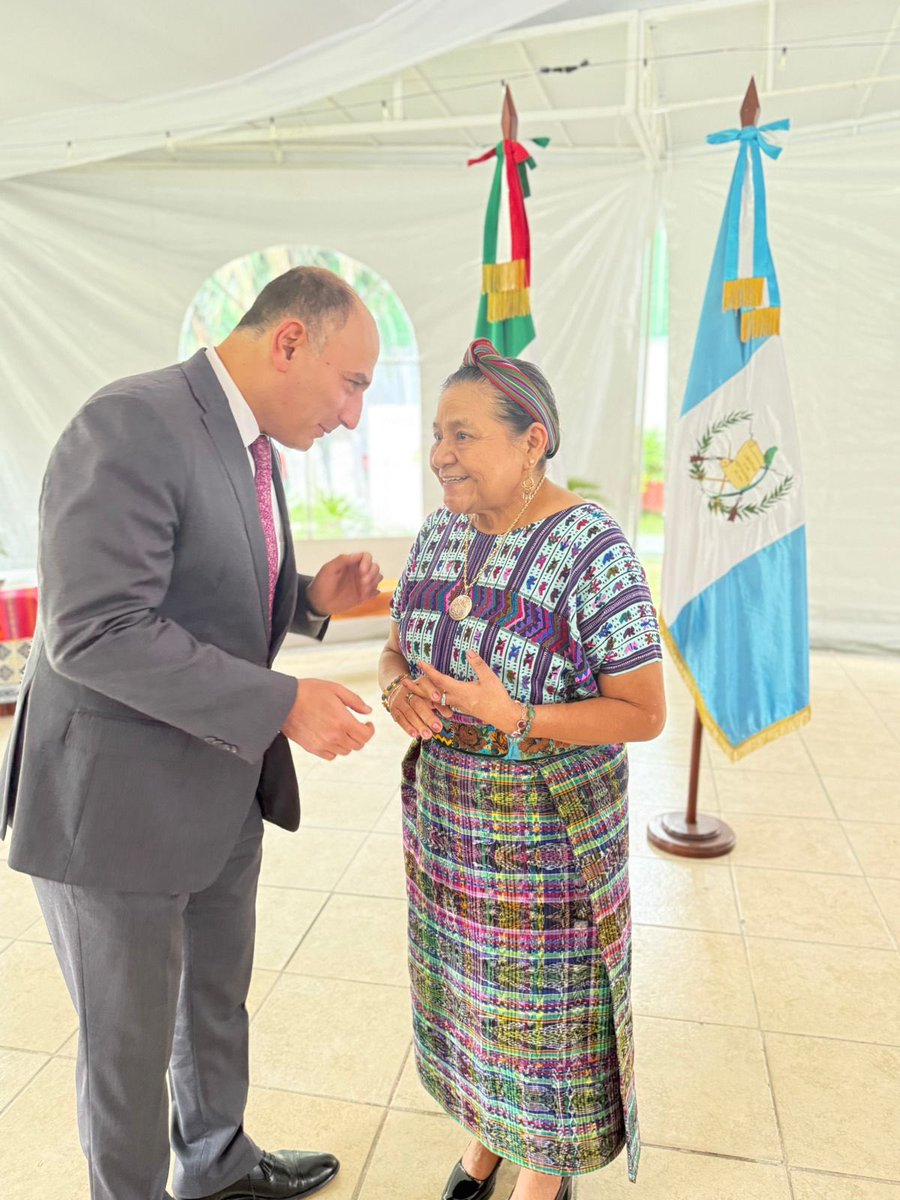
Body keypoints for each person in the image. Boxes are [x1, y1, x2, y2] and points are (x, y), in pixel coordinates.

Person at [0, 267, 382, 1200]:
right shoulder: (130, 422)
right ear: (290, 341)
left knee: (212, 1003)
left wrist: (305, 602)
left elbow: (196, 590)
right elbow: (95, 629)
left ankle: (215, 1165)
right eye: (353, 382)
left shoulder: (248, 446)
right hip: (117, 809)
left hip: (216, 788)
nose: (354, 414)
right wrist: (281, 701)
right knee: (125, 1054)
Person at [379, 339, 665, 1200]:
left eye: (462, 436)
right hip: (451, 833)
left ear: (531, 441)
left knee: (543, 1019)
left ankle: (545, 1167)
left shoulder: (593, 547)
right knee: (474, 1001)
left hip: (548, 838)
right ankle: (486, 1143)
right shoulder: (438, 534)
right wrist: (397, 687)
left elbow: (644, 712)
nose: (440, 455)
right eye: (437, 434)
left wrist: (519, 716)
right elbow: (396, 649)